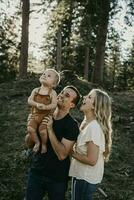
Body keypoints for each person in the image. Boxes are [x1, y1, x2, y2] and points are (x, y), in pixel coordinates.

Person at [25, 85, 81, 200]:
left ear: (72, 105)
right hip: (36, 172)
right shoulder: (43, 113)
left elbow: (62, 155)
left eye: (67, 95)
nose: (61, 95)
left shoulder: (72, 125)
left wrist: (50, 129)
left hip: (57, 178)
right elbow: (29, 144)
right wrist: (31, 129)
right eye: (61, 92)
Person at [69, 89, 112, 200]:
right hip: (81, 175)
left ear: (95, 106)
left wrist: (70, 152)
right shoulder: (87, 123)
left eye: (89, 97)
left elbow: (92, 160)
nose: (84, 98)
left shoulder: (94, 128)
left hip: (85, 178)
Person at [27, 68, 60, 153]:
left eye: (48, 76)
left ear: (53, 84)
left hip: (45, 116)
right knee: (30, 129)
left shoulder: (52, 93)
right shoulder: (36, 90)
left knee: (43, 132)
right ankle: (37, 142)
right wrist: (36, 104)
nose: (44, 75)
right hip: (35, 115)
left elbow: (54, 104)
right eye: (44, 74)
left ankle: (44, 144)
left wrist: (45, 107)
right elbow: (29, 100)